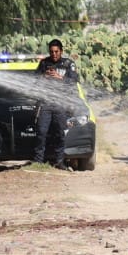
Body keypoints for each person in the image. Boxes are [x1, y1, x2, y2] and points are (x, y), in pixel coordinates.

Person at [33, 38, 79, 170]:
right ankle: (38, 162)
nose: (54, 54)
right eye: (51, 52)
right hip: (46, 103)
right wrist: (44, 77)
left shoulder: (68, 64)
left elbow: (74, 81)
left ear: (61, 51)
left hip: (60, 103)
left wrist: (60, 78)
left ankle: (60, 162)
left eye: (56, 52)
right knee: (41, 132)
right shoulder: (44, 63)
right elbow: (34, 80)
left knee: (60, 132)